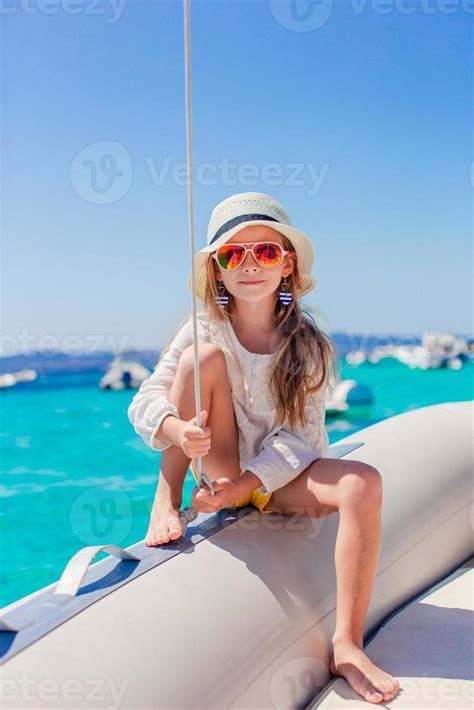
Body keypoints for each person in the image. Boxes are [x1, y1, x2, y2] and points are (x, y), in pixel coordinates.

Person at [128, 192, 400, 705]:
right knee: (196, 362)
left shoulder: (310, 345)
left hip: (284, 476)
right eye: (234, 254)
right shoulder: (203, 327)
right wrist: (176, 429)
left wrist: (247, 486)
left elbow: (299, 441)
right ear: (218, 270)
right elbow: (146, 398)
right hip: (221, 462)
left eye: (266, 252)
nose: (250, 264)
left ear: (287, 263)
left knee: (364, 481)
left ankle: (347, 642)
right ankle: (167, 493)